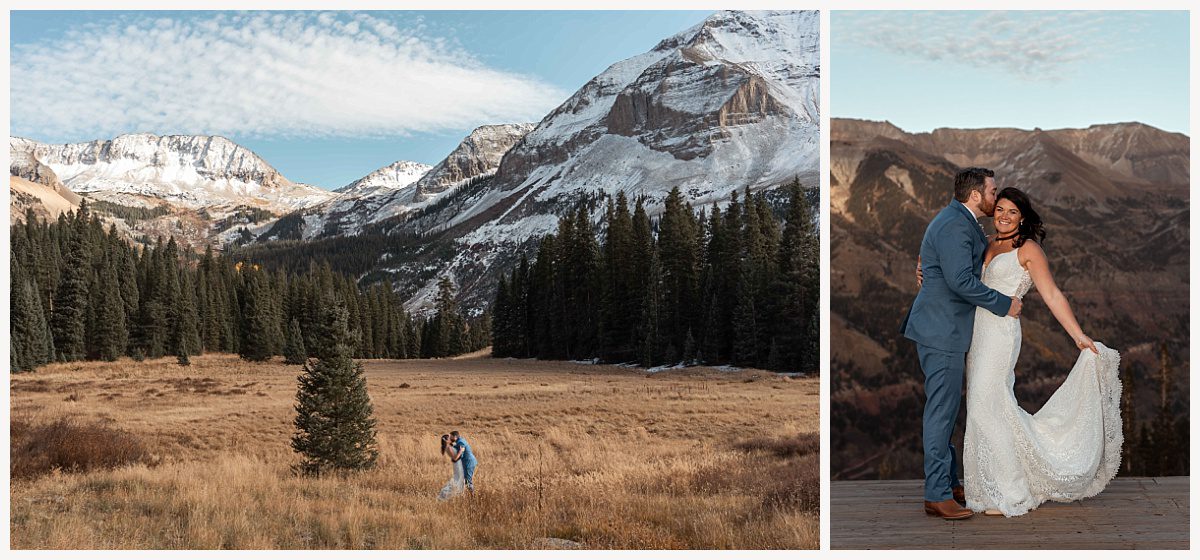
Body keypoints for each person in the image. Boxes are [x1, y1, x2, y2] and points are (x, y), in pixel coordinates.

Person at [958, 187, 1121, 517]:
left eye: (1012, 212)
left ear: (1023, 217)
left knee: (988, 404)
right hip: (977, 333)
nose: (1003, 216)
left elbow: (1052, 295)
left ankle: (1012, 491)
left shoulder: (1028, 249)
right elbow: (963, 282)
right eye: (1000, 209)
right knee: (982, 406)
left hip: (1001, 334)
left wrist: (1078, 336)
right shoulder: (988, 244)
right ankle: (987, 488)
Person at [901, 167, 1022, 520]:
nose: (996, 198)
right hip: (941, 333)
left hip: (944, 330)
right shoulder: (955, 224)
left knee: (947, 410)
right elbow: (960, 282)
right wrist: (1005, 304)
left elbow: (945, 265)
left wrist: (927, 265)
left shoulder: (958, 220)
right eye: (992, 192)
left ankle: (950, 484)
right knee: (941, 413)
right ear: (975, 196)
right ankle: (937, 494)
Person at [437, 434, 466, 501]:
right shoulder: (449, 448)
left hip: (457, 464)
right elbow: (455, 458)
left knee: (459, 480)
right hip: (458, 464)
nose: (451, 439)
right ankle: (444, 494)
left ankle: (459, 495)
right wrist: (461, 451)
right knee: (459, 480)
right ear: (447, 440)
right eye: (449, 438)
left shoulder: (448, 446)